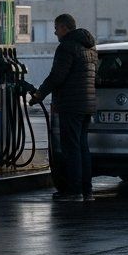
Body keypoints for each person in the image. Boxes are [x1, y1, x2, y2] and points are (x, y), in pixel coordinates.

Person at [31, 13, 99, 203]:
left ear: (64, 28)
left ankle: (74, 191)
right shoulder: (91, 48)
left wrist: (39, 94)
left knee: (71, 149)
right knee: (83, 148)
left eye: (56, 28)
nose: (54, 32)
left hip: (71, 104)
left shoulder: (66, 47)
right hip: (87, 105)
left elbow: (57, 76)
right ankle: (87, 191)